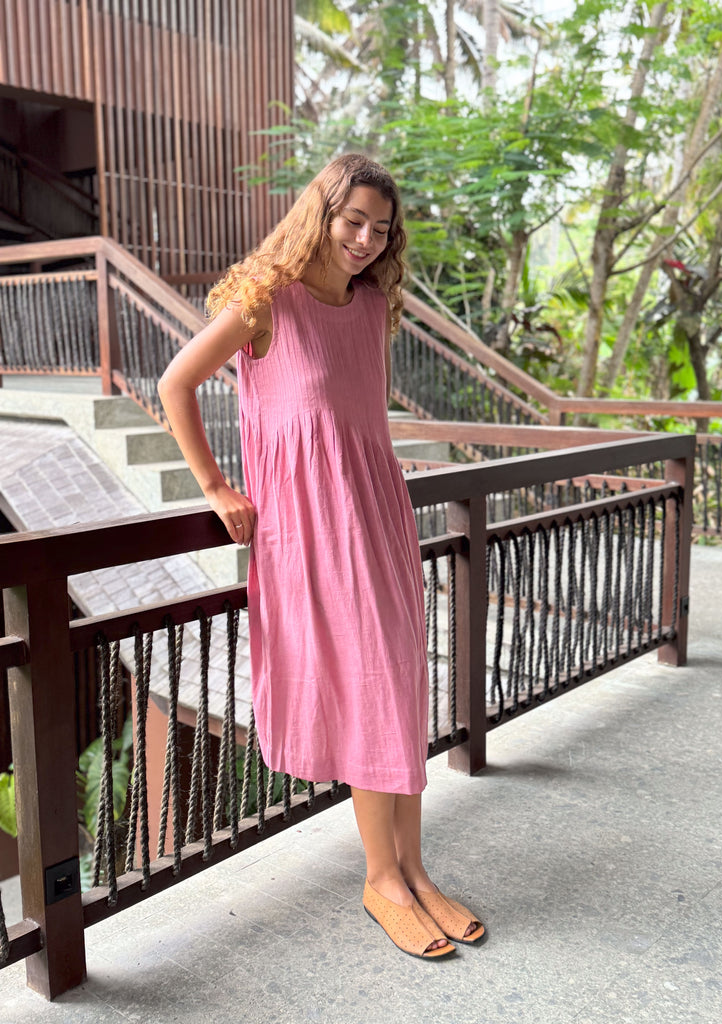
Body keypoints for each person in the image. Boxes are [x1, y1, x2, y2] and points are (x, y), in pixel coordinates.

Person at [158, 153, 484, 959]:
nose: (366, 240)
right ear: (323, 214)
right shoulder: (265, 301)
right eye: (353, 221)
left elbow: (358, 426)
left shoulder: (371, 307)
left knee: (400, 684)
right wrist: (216, 487)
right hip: (309, 531)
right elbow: (175, 385)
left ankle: (414, 869)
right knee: (369, 685)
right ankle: (381, 880)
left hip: (379, 518)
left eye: (381, 228)